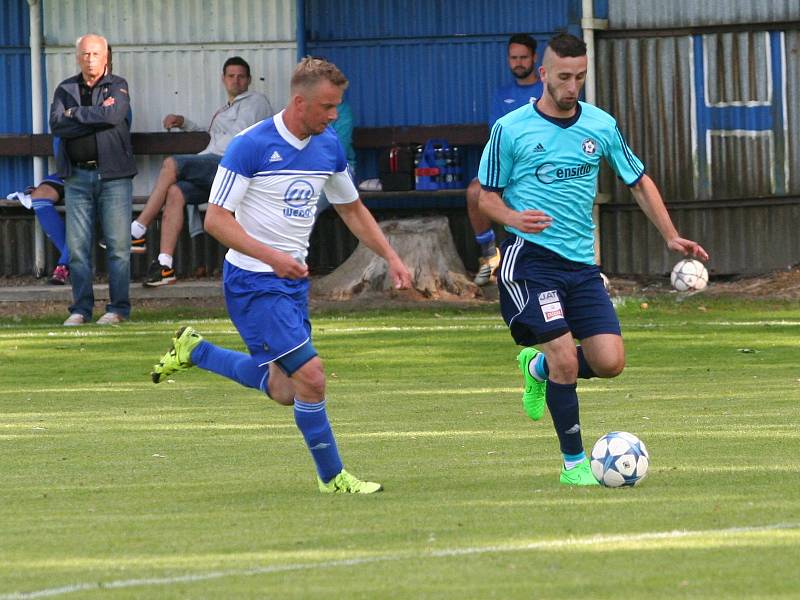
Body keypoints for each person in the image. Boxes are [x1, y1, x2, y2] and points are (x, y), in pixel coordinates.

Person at [150, 57, 412, 494]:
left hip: (289, 283)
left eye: (337, 107)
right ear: (299, 102)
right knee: (312, 376)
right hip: (253, 282)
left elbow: (351, 209)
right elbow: (216, 220)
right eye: (327, 107)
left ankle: (198, 351)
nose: (334, 116)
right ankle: (333, 478)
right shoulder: (249, 146)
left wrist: (392, 256)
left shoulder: (327, 147)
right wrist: (272, 257)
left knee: (285, 389)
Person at [477, 33, 709, 485]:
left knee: (609, 362)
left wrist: (671, 236)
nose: (572, 86)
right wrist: (512, 218)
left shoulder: (600, 126)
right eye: (564, 77)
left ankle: (536, 366)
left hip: (582, 266)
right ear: (543, 75)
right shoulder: (511, 129)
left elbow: (638, 181)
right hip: (530, 262)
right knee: (566, 356)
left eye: (580, 77)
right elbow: (484, 196)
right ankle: (574, 465)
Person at [133, 56, 274, 287]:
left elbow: (236, 139)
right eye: (231, 76)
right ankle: (165, 265)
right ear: (223, 79)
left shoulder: (256, 101)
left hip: (232, 167)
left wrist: (194, 161)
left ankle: (137, 229)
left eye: (241, 77)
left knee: (171, 164)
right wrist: (185, 122)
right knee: (176, 192)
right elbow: (214, 136)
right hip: (215, 168)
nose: (236, 81)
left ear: (249, 80)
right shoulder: (225, 109)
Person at [49, 33, 136, 326]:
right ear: (78, 57)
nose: (90, 58)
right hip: (76, 177)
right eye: (85, 54)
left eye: (95, 53)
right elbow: (58, 125)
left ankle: (118, 309)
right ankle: (81, 310)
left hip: (113, 176)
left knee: (118, 247)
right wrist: (94, 116)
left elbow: (114, 116)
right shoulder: (65, 89)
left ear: (106, 56)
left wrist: (77, 115)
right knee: (77, 249)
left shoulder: (118, 85)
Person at [470, 33, 544, 286]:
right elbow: (497, 135)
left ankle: (537, 262)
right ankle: (489, 254)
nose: (519, 63)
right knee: (474, 191)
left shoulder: (546, 91)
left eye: (524, 57)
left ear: (535, 58)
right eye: (514, 58)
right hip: (508, 164)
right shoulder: (502, 94)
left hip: (539, 165)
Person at [6, 173, 70, 285]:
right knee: (40, 197)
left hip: (103, 173)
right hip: (69, 171)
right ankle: (70, 261)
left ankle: (64, 264)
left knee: (85, 206)